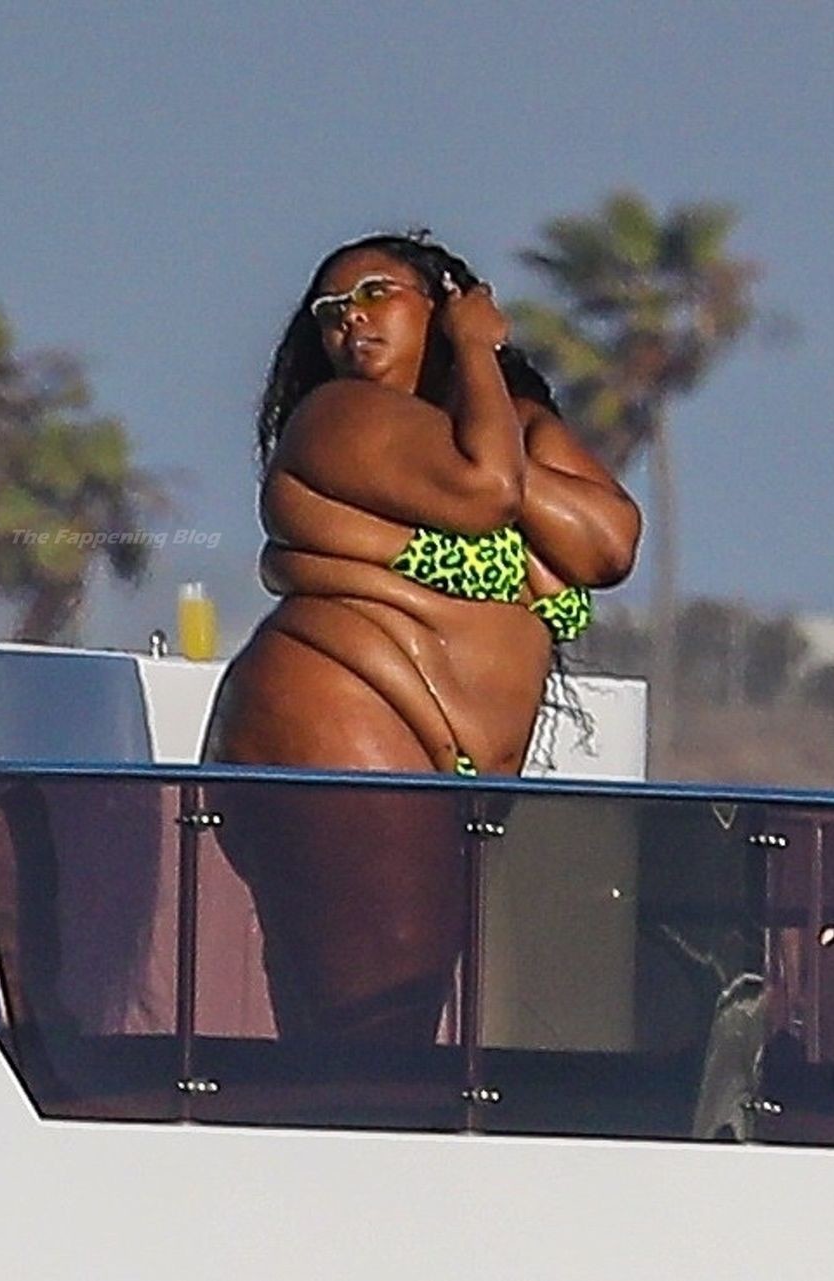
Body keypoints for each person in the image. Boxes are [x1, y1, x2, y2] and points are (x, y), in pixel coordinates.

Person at [201, 232, 639, 1043]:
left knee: (375, 1020)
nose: (350, 319)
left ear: (439, 303)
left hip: (439, 764)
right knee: (377, 1020)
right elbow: (483, 490)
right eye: (330, 310)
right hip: (347, 715)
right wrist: (475, 350)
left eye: (376, 294)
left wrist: (495, 425)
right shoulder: (338, 417)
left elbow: (608, 543)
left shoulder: (510, 429)